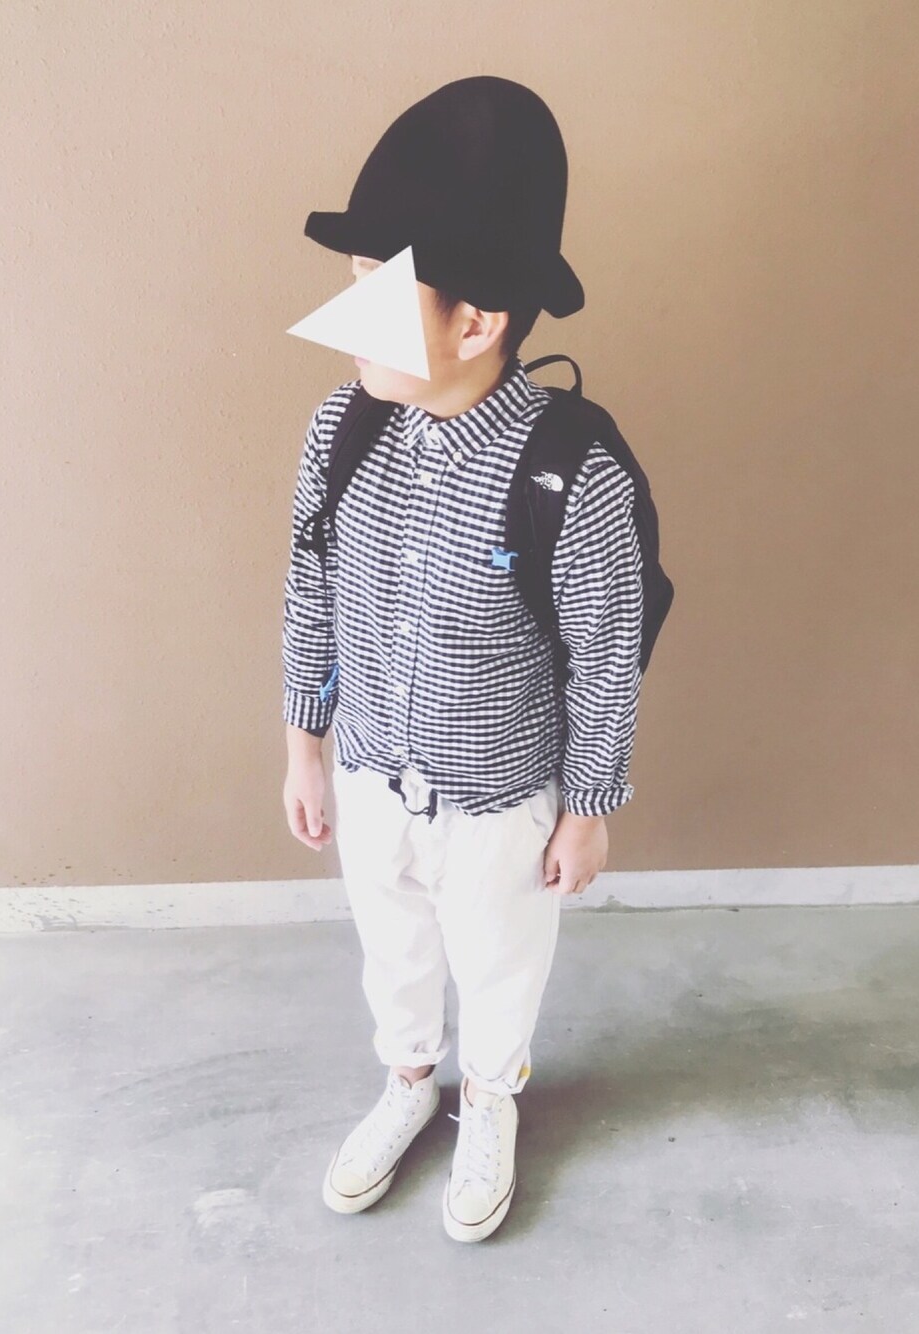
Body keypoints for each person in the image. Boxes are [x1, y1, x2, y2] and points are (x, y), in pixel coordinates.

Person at [281, 76, 644, 1243]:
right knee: (391, 948)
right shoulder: (342, 429)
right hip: (371, 773)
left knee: (497, 961)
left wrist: (586, 810)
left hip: (498, 800)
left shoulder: (566, 474)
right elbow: (309, 590)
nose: (347, 321)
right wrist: (305, 746)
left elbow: (605, 657)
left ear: (476, 322)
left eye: (376, 294)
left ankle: (489, 1094)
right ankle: (407, 1081)